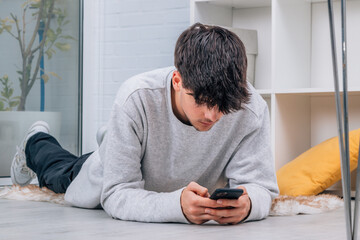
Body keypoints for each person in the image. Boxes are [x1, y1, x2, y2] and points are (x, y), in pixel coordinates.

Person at [11, 23, 279, 225]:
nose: (211, 115)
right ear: (177, 80)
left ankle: (112, 138)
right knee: (60, 172)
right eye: (202, 101)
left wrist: (249, 204)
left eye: (222, 107)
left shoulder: (249, 107)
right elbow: (117, 194)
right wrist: (178, 207)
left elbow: (261, 186)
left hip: (159, 166)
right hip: (105, 173)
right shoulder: (135, 97)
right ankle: (34, 140)